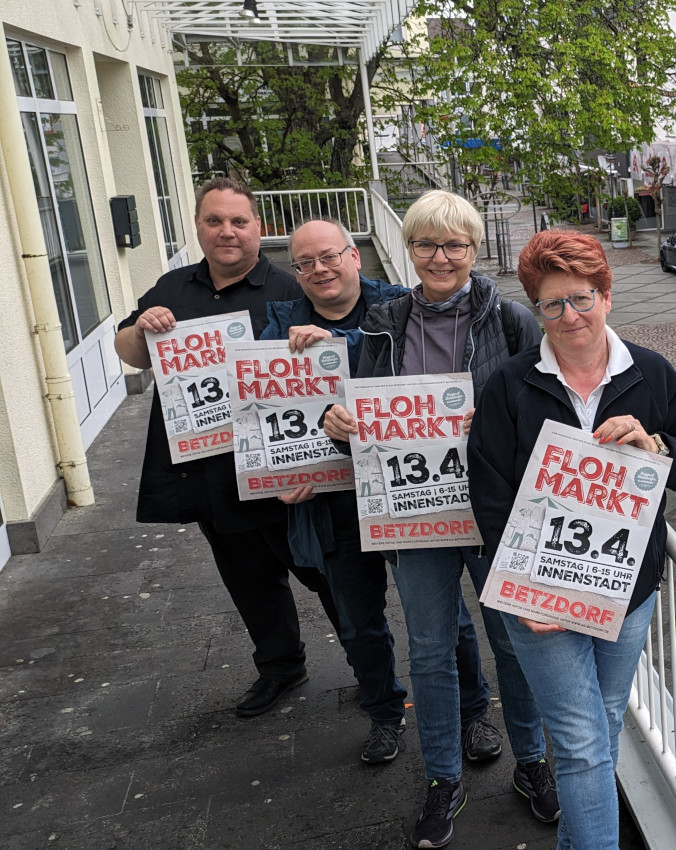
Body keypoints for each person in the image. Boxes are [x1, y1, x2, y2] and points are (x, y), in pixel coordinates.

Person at [322, 190, 557, 849]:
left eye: (455, 244)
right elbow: (358, 419)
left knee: (512, 642)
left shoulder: (511, 322)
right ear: (409, 248)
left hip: (493, 511)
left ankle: (532, 762)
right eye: (427, 243)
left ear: (474, 251)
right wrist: (337, 424)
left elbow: (547, 405)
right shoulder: (383, 322)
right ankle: (442, 778)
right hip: (415, 516)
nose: (440, 256)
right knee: (428, 648)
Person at [467, 230, 676, 850]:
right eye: (552, 305)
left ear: (606, 296)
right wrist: (521, 592)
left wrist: (655, 447)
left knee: (600, 727)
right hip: (539, 599)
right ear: (536, 310)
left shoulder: (651, 373)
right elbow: (490, 497)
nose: (569, 317)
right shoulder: (509, 385)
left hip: (625, 591)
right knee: (580, 745)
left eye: (581, 299)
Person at [260, 217, 494, 766]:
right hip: (332, 498)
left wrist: (338, 341)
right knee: (356, 617)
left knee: (446, 618)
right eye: (304, 262)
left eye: (329, 256)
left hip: (409, 494)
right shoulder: (280, 326)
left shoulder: (394, 309)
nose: (319, 269)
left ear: (354, 256)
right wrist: (277, 473)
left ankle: (474, 710)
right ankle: (385, 715)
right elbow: (264, 416)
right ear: (295, 272)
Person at [114, 177, 339, 718]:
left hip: (285, 468)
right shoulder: (172, 287)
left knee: (326, 572)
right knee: (247, 579)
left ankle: (370, 664)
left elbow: (332, 365)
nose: (227, 232)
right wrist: (143, 328)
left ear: (258, 228)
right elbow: (130, 353)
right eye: (215, 221)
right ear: (198, 226)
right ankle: (281, 667)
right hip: (209, 468)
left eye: (239, 221)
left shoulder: (291, 289)